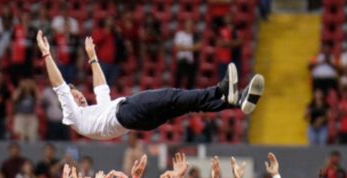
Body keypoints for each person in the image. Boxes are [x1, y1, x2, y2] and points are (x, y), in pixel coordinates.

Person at [37, 30, 264, 141]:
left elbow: (101, 89)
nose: (79, 98)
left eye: (78, 94)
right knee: (172, 96)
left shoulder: (93, 115)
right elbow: (59, 86)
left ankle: (234, 100)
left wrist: (93, 57)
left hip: (138, 122)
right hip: (128, 111)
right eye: (75, 96)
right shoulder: (73, 116)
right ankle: (220, 90)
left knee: (184, 106)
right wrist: (47, 54)